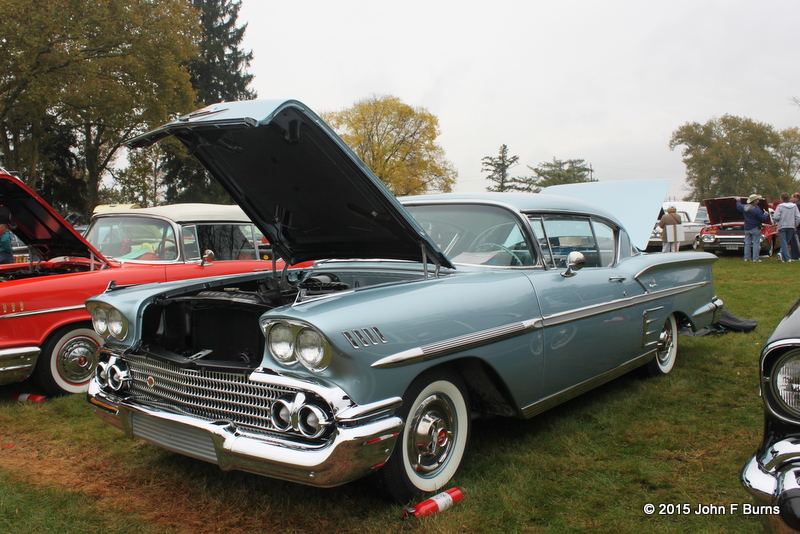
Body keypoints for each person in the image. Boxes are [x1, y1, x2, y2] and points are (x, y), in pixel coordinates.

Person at [736, 194, 769, 262]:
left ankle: (746, 258)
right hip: (755, 228)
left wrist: (738, 200)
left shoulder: (745, 207)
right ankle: (755, 258)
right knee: (756, 243)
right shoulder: (757, 210)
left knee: (747, 243)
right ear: (754, 201)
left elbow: (738, 206)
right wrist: (766, 214)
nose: (758, 200)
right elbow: (763, 218)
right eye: (757, 199)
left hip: (747, 227)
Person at [773, 192, 800, 262]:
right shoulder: (794, 206)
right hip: (791, 226)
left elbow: (775, 216)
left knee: (784, 242)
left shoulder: (780, 206)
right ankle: (782, 254)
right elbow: (798, 217)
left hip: (782, 226)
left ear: (782, 198)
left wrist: (779, 219)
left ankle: (786, 258)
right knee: (787, 242)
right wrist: (795, 225)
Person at [792, 192, 800, 260]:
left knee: (795, 241)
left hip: (798, 226)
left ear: (797, 198)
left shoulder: (796, 205)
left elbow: (797, 216)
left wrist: (795, 225)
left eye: (793, 198)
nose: (791, 199)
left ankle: (796, 255)